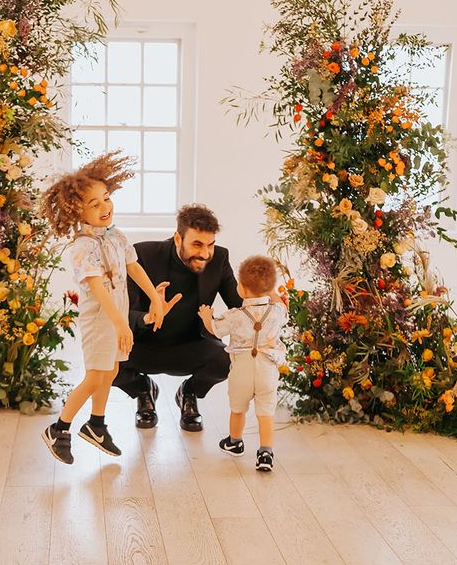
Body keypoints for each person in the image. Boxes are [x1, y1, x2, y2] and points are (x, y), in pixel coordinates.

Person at [39, 151, 165, 464]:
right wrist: (121, 324)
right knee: (96, 376)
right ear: (76, 212)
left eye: (106, 198)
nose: (105, 207)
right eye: (94, 204)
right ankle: (59, 427)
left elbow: (134, 268)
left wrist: (155, 298)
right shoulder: (81, 247)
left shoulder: (117, 236)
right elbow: (97, 288)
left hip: (116, 313)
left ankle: (96, 424)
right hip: (100, 318)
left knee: (111, 370)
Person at [113, 204, 242, 431]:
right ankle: (143, 390)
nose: (205, 253)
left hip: (192, 345)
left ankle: (188, 393)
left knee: (226, 360)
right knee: (104, 360)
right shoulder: (143, 255)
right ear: (177, 238)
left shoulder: (219, 258)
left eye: (210, 245)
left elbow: (240, 305)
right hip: (143, 344)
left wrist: (269, 302)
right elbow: (123, 313)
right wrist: (147, 317)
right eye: (197, 244)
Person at [198, 255, 287, 471]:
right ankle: (265, 452)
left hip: (241, 370)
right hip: (267, 370)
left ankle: (235, 441)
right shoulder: (277, 312)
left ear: (243, 290)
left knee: (238, 408)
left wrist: (206, 316)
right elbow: (281, 306)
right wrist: (272, 291)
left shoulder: (235, 315)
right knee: (265, 412)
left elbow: (216, 330)